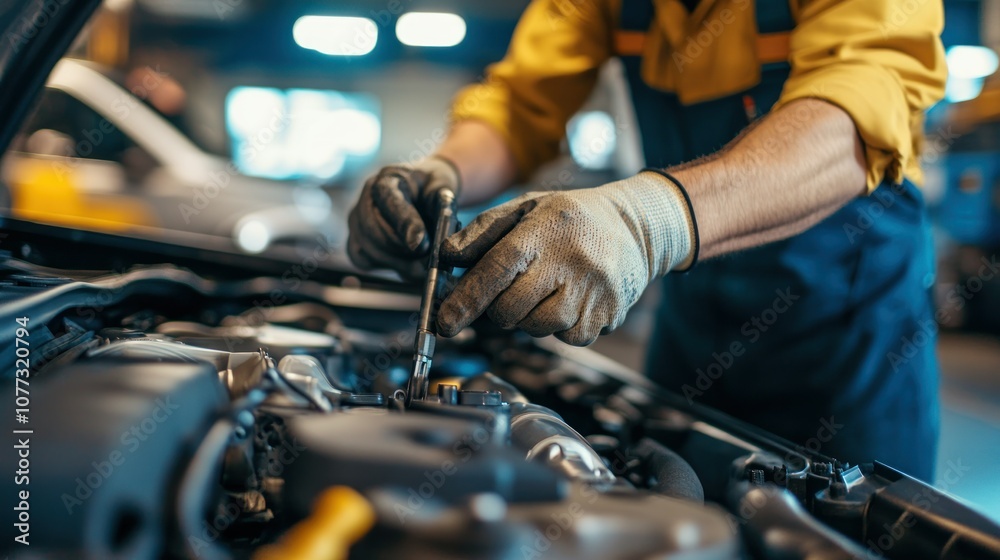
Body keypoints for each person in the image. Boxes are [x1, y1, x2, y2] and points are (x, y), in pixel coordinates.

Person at [346, 0, 946, 479]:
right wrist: (444, 172)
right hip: (695, 329)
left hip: (850, 352)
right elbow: (521, 104)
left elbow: (853, 116)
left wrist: (644, 221)